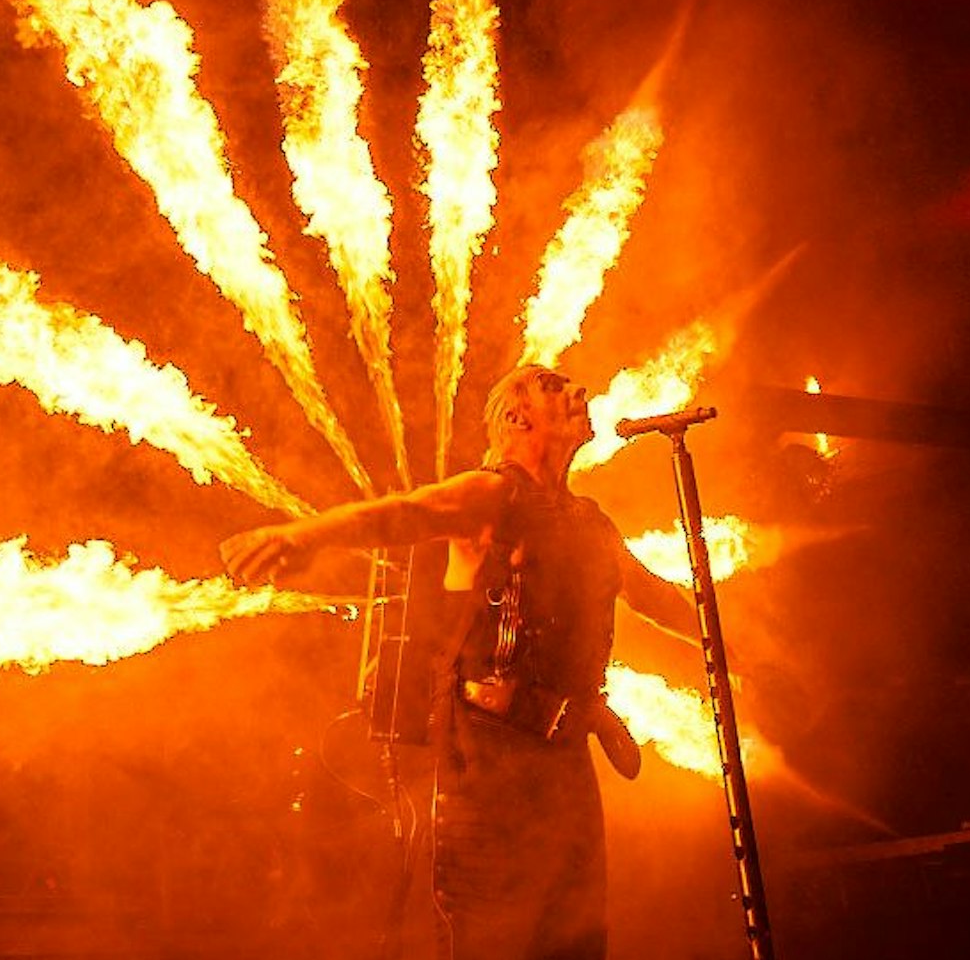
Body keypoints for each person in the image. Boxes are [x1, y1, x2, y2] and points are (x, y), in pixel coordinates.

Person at [222, 364, 700, 959]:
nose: (578, 390)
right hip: (489, 766)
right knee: (496, 940)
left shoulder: (591, 522)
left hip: (566, 766)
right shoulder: (493, 493)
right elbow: (403, 513)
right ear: (517, 417)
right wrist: (303, 537)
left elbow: (652, 595)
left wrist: (733, 653)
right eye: (552, 386)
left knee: (574, 941)